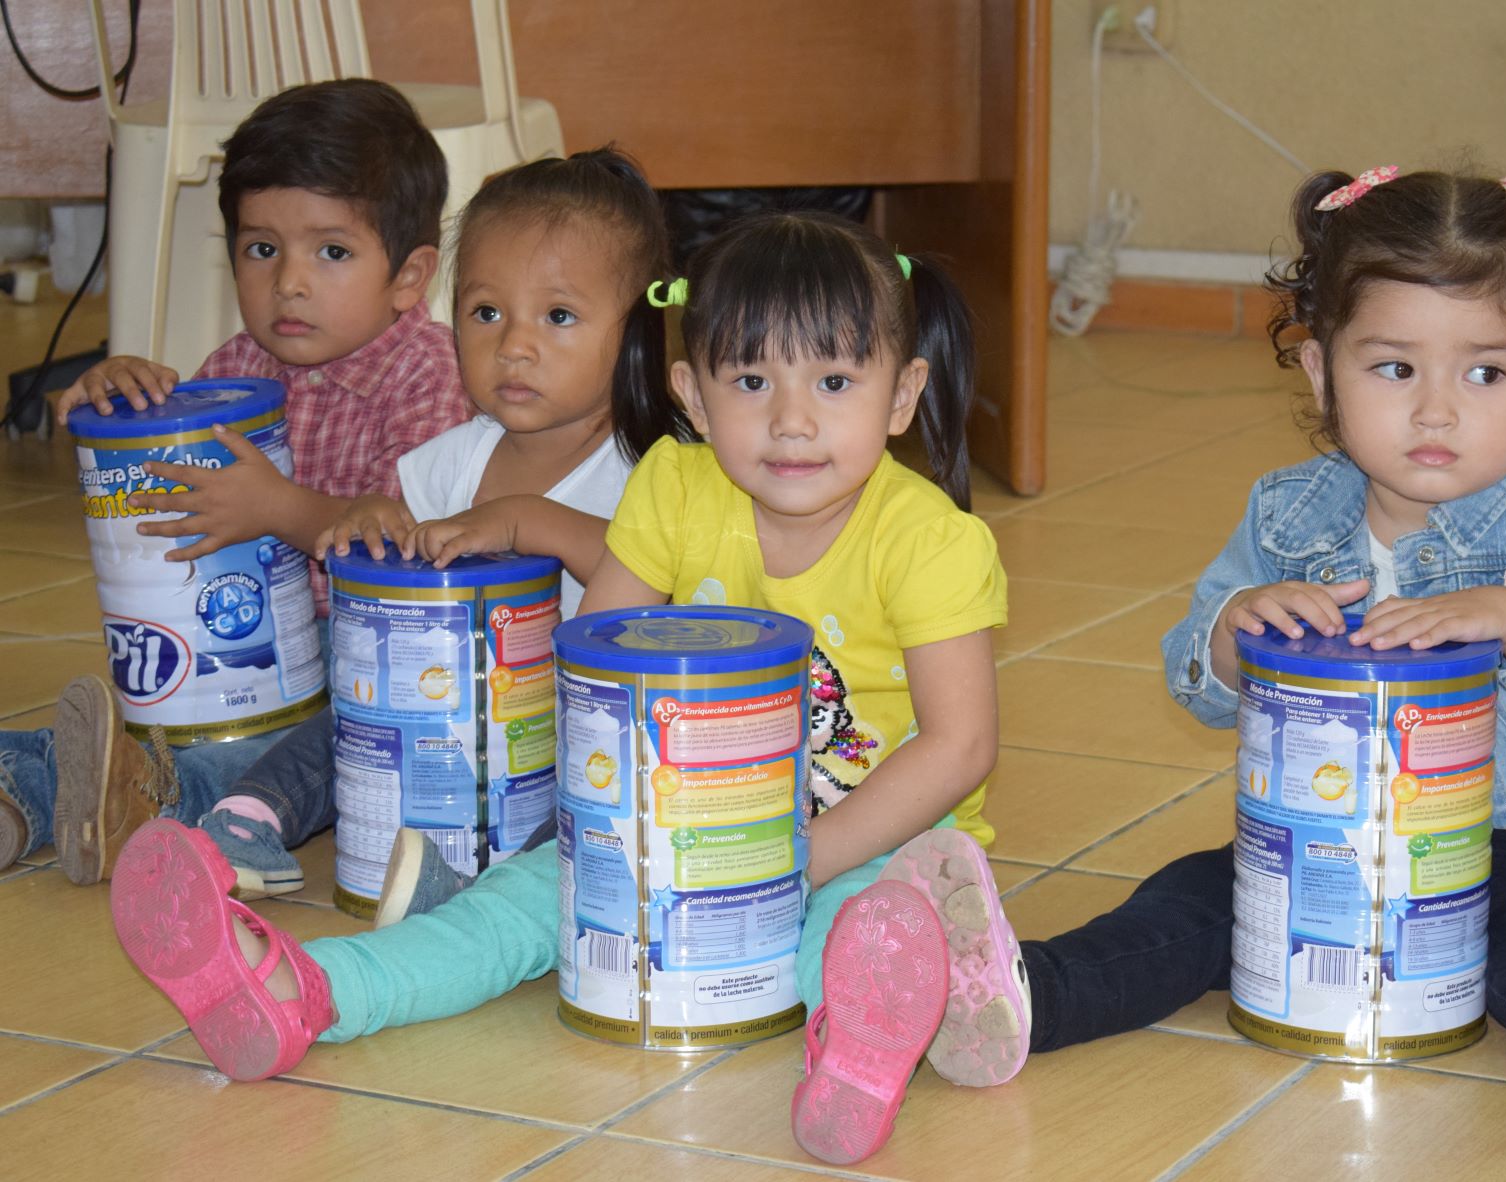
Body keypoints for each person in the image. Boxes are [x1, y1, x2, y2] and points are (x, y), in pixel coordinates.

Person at [108, 211, 1026, 1167]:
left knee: (838, 937)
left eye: (833, 383)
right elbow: (598, 662)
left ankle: (859, 1056)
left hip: (869, 838)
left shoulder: (928, 540)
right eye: (752, 381)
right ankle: (301, 990)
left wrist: (808, 854)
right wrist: (592, 832)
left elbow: (959, 747)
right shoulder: (676, 484)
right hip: (669, 828)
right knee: (511, 910)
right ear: (694, 396)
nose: (792, 421)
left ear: (901, 394)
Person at [887, 167, 1506, 1171]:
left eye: (1485, 374)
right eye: (1393, 368)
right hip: (1314, 851)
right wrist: (1231, 633)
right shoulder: (1287, 513)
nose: (1435, 413)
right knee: (1187, 902)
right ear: (1322, 373)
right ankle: (1015, 995)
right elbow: (1191, 682)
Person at [157, 147, 677, 901]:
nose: (514, 345)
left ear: (637, 330)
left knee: (588, 803)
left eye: (558, 316)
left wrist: (525, 520)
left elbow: (651, 582)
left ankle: (477, 900)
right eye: (485, 312)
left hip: (588, 728)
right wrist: (375, 523)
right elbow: (411, 572)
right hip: (452, 716)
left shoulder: (658, 467)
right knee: (352, 720)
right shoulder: (447, 463)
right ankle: (247, 819)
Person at [0, 79, 471, 884]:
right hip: (236, 642)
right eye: (261, 249)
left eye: (331, 251)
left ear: (409, 275)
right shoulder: (234, 370)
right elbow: (166, 501)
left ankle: (147, 795)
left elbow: (410, 547)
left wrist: (280, 510)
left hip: (362, 651)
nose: (288, 281)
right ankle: (30, 790)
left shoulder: (427, 374)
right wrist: (121, 406)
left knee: (273, 748)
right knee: (157, 718)